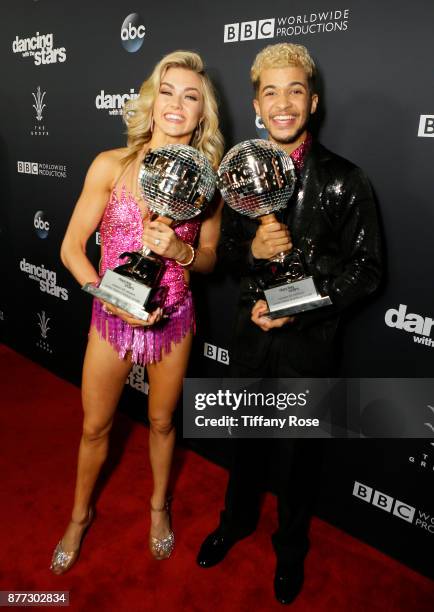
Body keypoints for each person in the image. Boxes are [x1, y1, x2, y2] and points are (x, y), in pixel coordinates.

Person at [197, 43, 382, 605]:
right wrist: (251, 248)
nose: (283, 104)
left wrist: (302, 305)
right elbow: (225, 254)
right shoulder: (239, 176)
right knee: (246, 444)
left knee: (301, 458)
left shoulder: (346, 180)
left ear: (313, 100)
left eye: (295, 90)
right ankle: (235, 521)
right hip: (251, 344)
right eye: (271, 92)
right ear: (256, 104)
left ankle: (292, 548)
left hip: (310, 348)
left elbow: (369, 271)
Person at [50, 50, 224, 573]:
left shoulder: (209, 181)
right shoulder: (112, 165)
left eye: (190, 96)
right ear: (152, 102)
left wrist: (180, 253)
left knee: (163, 422)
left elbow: (210, 258)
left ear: (200, 114)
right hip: (111, 320)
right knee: (95, 428)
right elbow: (71, 249)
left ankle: (158, 509)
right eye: (168, 91)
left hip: (173, 318)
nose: (177, 103)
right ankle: (79, 518)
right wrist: (109, 298)